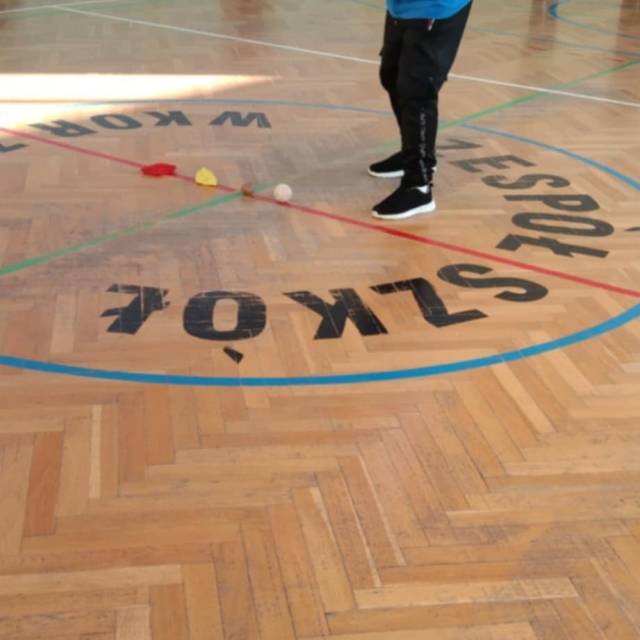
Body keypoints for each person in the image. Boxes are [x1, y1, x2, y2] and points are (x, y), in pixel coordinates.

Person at [369, 0, 473, 220]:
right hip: (401, 8)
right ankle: (413, 154)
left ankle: (418, 185)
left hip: (435, 8)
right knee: (391, 76)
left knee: (416, 91)